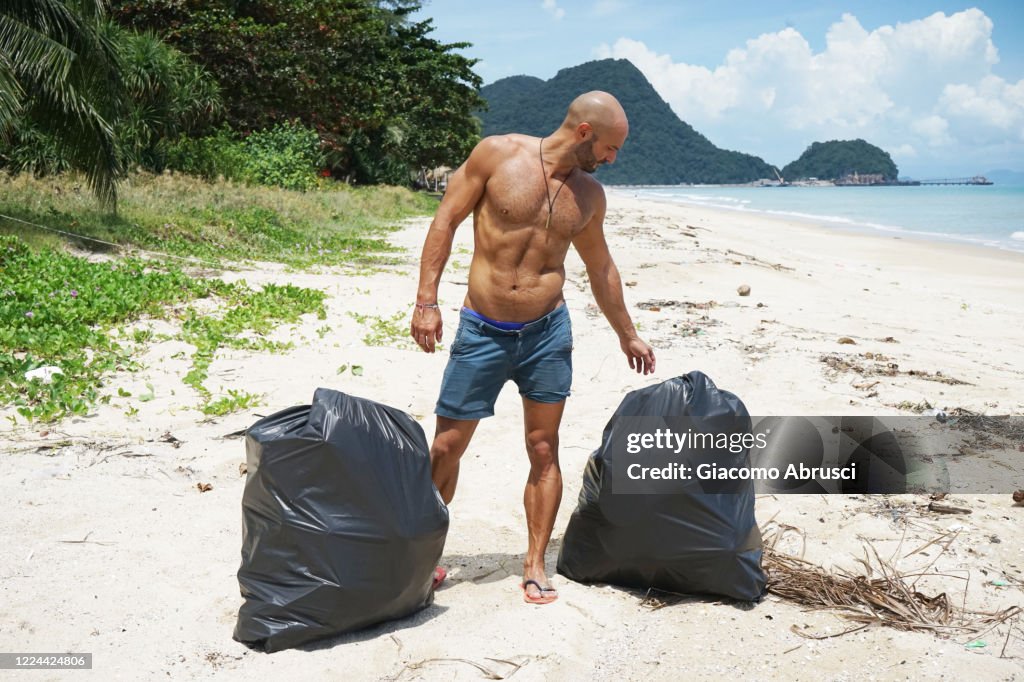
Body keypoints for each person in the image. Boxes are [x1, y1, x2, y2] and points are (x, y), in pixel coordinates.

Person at [411, 91, 656, 605]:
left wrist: (626, 332)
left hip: (547, 333)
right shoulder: (496, 155)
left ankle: (535, 562)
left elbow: (600, 267)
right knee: (446, 447)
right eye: (611, 148)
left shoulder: (589, 196)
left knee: (544, 448)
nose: (614, 159)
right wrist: (426, 302)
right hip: (482, 328)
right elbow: (445, 221)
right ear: (585, 133)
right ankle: (420, 556)